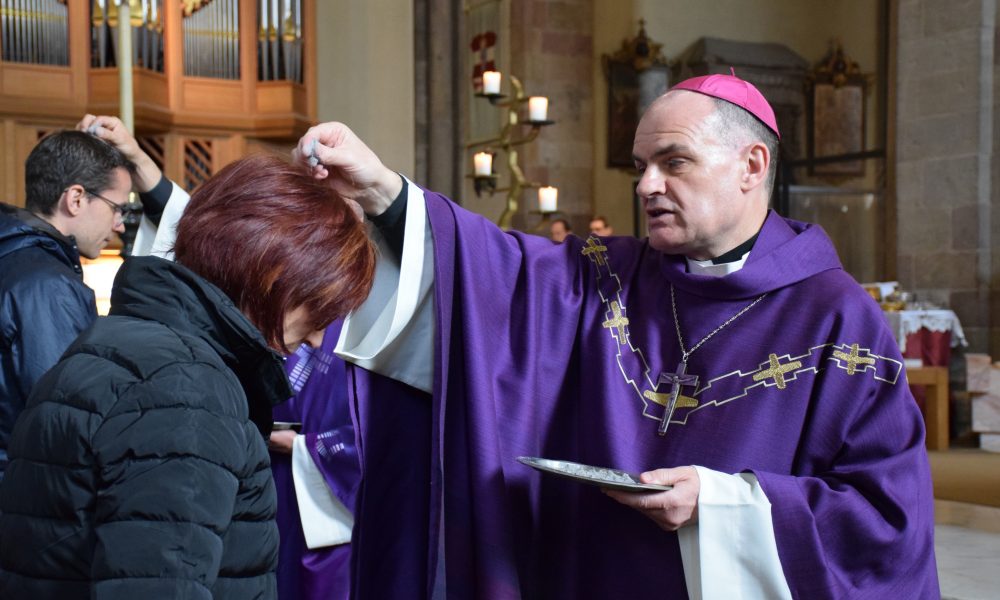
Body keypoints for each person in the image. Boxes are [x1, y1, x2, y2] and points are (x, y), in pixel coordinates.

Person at [297, 72, 939, 599]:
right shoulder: (607, 275)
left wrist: (724, 505)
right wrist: (382, 191)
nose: (646, 185)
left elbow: (886, 519)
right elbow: (489, 273)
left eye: (673, 162)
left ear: (751, 164)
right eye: (641, 165)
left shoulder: (837, 318)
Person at [0, 154, 376, 599]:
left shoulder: (128, 341)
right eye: (319, 310)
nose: (317, 338)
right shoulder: (187, 388)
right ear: (273, 274)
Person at [0, 120, 181, 479]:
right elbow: (68, 418)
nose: (119, 225)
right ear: (76, 199)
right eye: (117, 207)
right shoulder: (49, 286)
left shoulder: (14, 255)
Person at [268, 320, 359, 600]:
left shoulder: (365, 328)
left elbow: (373, 438)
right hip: (273, 475)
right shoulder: (310, 315)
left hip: (327, 501)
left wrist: (301, 445)